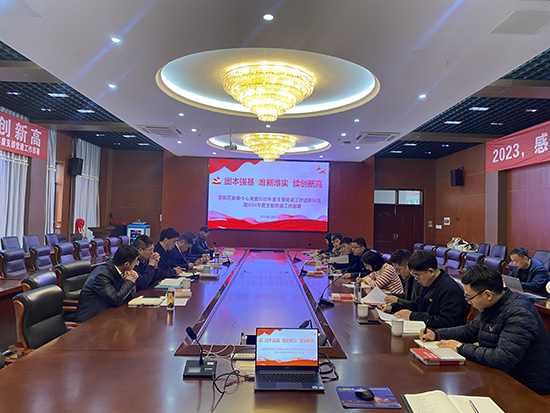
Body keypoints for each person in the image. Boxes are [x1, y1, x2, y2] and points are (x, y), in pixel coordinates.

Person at [420, 265, 550, 395]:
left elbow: (502, 358)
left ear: (488, 294)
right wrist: (437, 334)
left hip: (528, 389)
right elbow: (470, 330)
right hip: (501, 379)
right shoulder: (493, 305)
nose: (468, 302)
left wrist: (460, 347)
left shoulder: (519, 313)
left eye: (469, 297)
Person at [386, 250, 469, 328]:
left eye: (417, 275)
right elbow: (417, 305)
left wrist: (413, 316)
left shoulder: (449, 289)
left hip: (442, 334)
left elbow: (445, 321)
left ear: (430, 272)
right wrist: (393, 308)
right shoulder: (429, 282)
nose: (416, 279)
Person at [74, 245, 139, 322]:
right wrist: (129, 281)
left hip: (108, 315)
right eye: (135, 262)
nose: (136, 264)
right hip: (91, 320)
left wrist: (132, 278)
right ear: (126, 264)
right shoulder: (102, 275)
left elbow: (129, 296)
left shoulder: (120, 270)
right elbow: (115, 299)